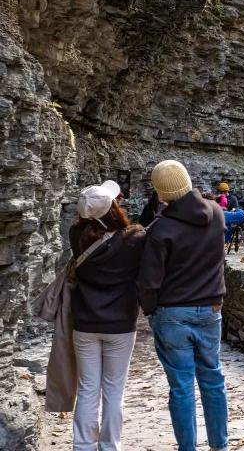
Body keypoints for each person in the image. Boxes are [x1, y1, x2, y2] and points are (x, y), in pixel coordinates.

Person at [137, 160, 229, 451]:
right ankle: (220, 445)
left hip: (172, 312)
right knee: (213, 378)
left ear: (161, 194)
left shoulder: (161, 229)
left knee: (181, 387)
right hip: (211, 307)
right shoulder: (216, 214)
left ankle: (187, 448)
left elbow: (149, 281)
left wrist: (150, 310)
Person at [70, 180, 146, 451]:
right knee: (114, 390)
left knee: (88, 389)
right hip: (120, 324)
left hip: (85, 322)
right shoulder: (134, 238)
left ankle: (82, 446)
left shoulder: (75, 235)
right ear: (114, 206)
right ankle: (110, 446)